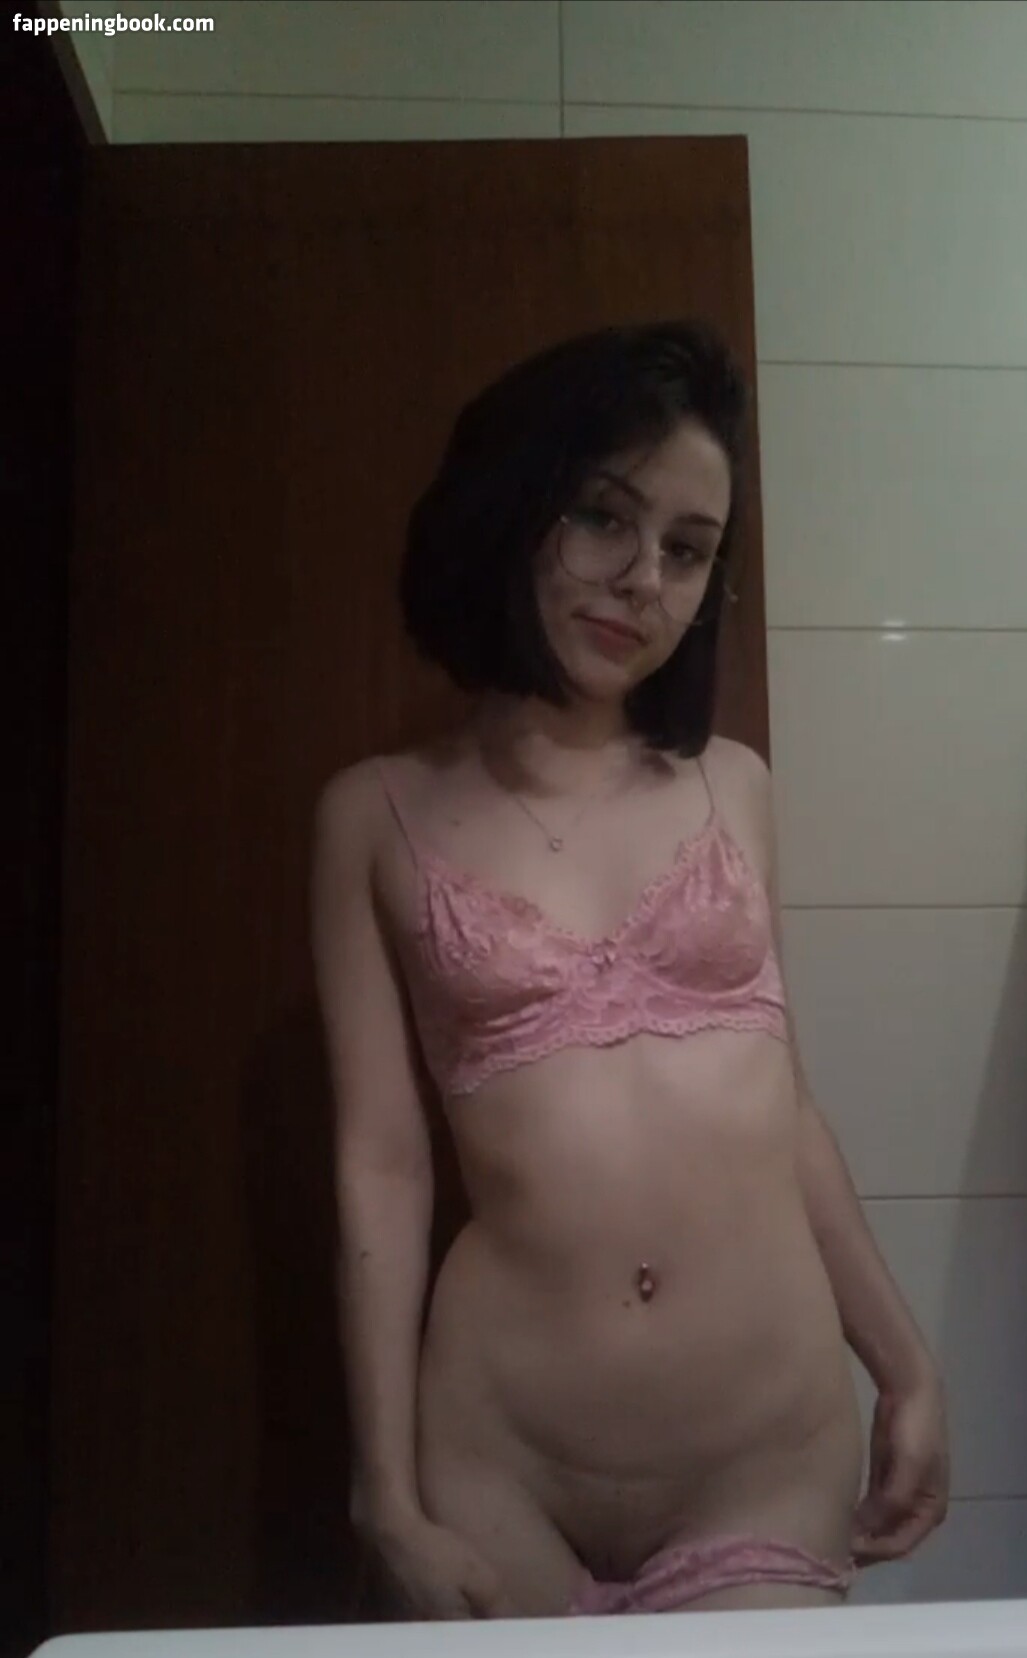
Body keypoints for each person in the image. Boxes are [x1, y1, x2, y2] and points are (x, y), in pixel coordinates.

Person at [311, 319, 950, 1621]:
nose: (643, 580)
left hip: (763, 1457)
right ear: (516, 507)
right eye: (605, 517)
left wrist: (907, 1364)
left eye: (688, 548)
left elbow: (786, 1112)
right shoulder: (373, 816)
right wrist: (386, 1489)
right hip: (497, 1464)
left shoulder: (734, 786)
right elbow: (381, 1163)